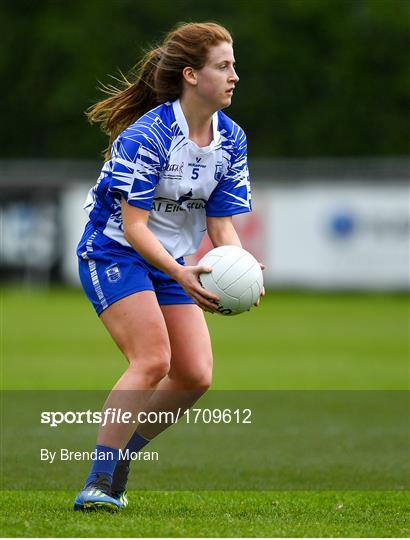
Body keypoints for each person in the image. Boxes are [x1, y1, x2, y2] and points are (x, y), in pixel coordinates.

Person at [74, 21, 259, 512]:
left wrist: (241, 268)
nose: (235, 76)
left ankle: (121, 458)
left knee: (195, 374)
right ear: (191, 75)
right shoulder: (149, 136)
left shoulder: (231, 139)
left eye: (234, 65)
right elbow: (134, 228)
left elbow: (220, 226)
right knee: (153, 360)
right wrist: (180, 272)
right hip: (114, 251)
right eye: (224, 66)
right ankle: (98, 482)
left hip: (171, 261)